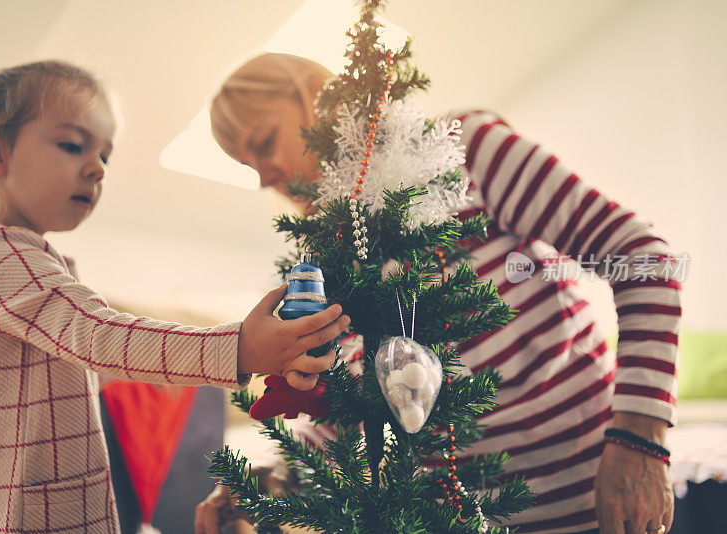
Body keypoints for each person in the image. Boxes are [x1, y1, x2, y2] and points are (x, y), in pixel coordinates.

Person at [196, 53, 681, 534]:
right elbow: (343, 408)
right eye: (246, 164)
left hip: (593, 507)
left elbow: (643, 257)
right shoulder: (329, 262)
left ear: (314, 97)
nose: (262, 177)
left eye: (263, 144)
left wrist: (641, 438)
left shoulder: (462, 153)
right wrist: (273, 470)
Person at [0, 59, 351, 533]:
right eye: (72, 145)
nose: (96, 169)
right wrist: (240, 348)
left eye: (105, 155)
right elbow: (96, 332)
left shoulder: (28, 262)